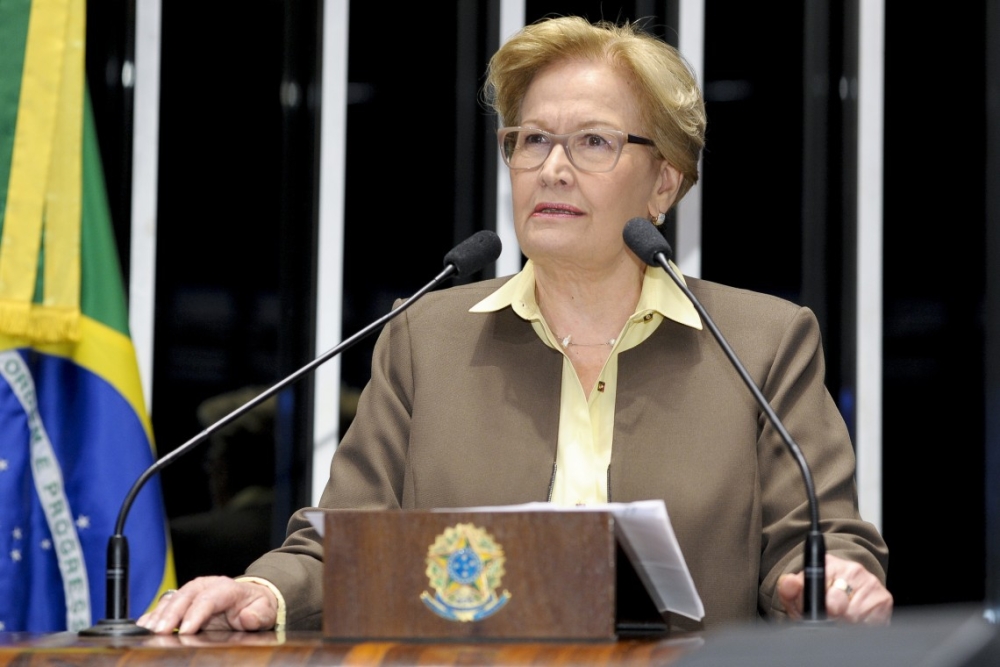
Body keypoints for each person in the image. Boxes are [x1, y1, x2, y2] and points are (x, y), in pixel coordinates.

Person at [138, 15, 893, 635]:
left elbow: (821, 541)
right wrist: (264, 593)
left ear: (663, 182)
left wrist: (830, 584)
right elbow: (342, 545)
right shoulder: (427, 338)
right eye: (531, 139)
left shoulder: (761, 342)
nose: (552, 168)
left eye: (593, 141)